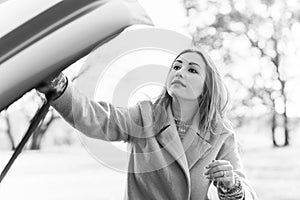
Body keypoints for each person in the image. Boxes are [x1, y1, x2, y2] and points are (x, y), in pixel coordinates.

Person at [37, 48, 258, 200]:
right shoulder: (145, 116)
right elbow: (97, 118)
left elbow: (246, 193)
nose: (180, 72)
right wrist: (56, 86)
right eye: (176, 66)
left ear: (207, 87)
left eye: (192, 70)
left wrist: (231, 185)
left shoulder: (221, 134)